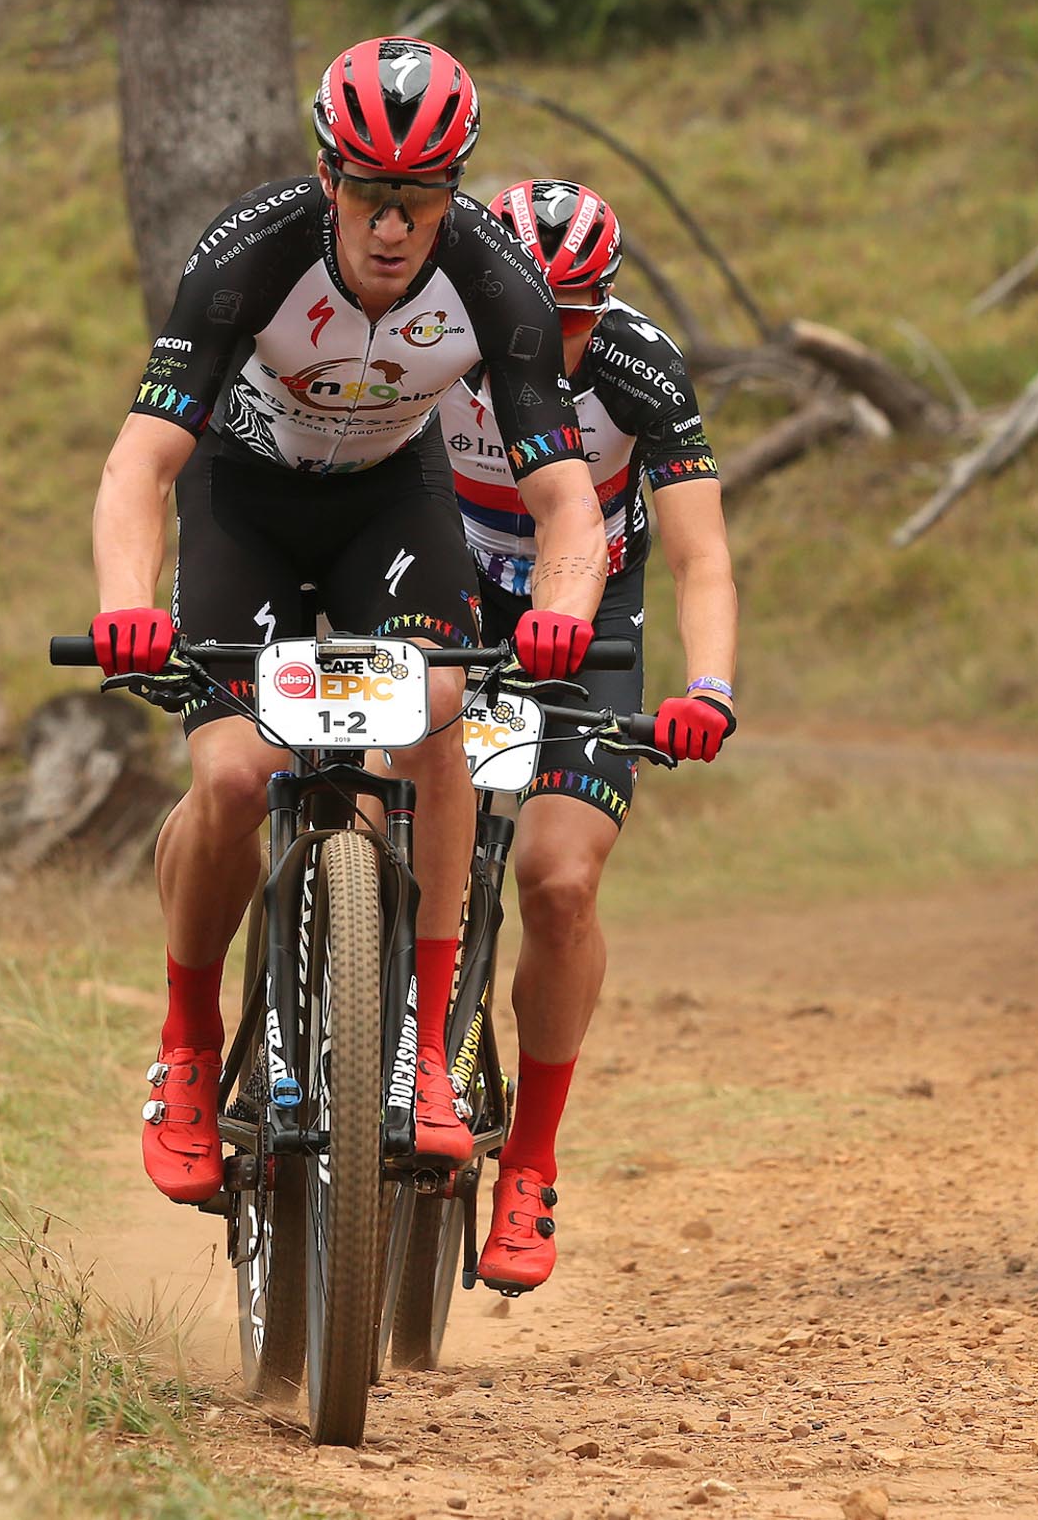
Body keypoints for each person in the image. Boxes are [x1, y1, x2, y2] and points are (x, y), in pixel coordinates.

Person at [88, 38, 611, 1204]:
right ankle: (183, 1050)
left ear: (451, 192)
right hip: (247, 500)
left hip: (390, 502)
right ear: (329, 177)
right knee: (230, 780)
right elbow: (139, 466)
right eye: (370, 194)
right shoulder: (245, 259)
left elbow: (566, 498)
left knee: (433, 716)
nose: (392, 224)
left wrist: (565, 609)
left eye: (419, 198)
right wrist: (127, 607)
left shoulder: (495, 281)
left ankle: (423, 1052)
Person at [432, 178, 739, 1293]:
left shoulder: (639, 365)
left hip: (594, 607)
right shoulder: (435, 334)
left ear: (604, 305)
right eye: (532, 308)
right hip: (449, 581)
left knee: (558, 881)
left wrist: (707, 686)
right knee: (368, 794)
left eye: (578, 314)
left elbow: (702, 550)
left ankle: (531, 1165)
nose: (553, 338)